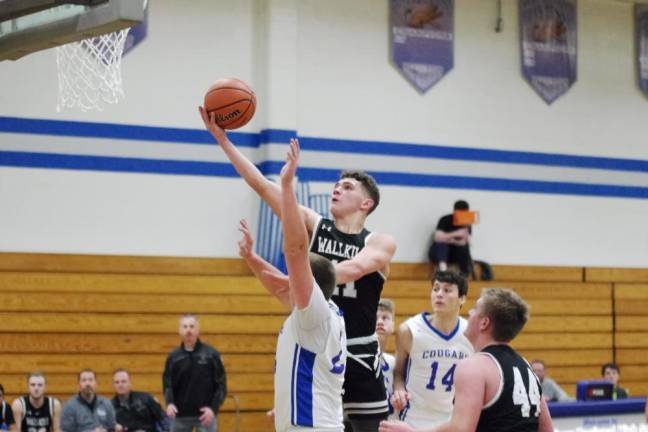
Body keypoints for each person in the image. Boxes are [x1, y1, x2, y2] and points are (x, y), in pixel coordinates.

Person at [200, 106, 396, 431]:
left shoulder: (379, 241)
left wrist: (298, 275)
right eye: (337, 184)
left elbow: (351, 270)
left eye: (348, 187)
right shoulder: (313, 224)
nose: (337, 188)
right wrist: (222, 140)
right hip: (315, 347)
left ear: (366, 204)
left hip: (358, 351)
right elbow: (262, 185)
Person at [237, 138, 346, 431]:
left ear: (308, 284)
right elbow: (278, 285)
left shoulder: (315, 315)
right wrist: (251, 257)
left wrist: (287, 186)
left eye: (296, 275)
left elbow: (296, 250)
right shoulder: (316, 311)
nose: (291, 276)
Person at [379, 288, 554, 432]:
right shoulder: (526, 367)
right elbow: (547, 429)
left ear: (484, 323)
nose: (469, 312)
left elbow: (461, 429)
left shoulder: (475, 366)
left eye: (475, 309)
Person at [390, 271, 474, 428]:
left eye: (447, 290)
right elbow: (398, 372)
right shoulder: (410, 330)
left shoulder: (470, 334)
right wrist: (399, 390)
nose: (439, 294)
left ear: (462, 298)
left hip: (450, 419)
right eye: (436, 289)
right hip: (412, 417)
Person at [163, 315, 227, 432]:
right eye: (185, 326)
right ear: (180, 330)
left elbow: (221, 385)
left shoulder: (211, 355)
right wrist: (169, 403)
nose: (188, 330)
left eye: (192, 327)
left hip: (205, 416)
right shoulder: (173, 357)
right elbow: (168, 384)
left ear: (198, 330)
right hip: (179, 416)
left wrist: (213, 409)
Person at [428, 200, 472, 276]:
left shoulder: (466, 223)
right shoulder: (445, 219)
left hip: (455, 252)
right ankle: (443, 269)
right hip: (439, 253)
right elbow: (437, 237)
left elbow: (465, 242)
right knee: (441, 245)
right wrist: (455, 234)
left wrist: (449, 240)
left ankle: (464, 273)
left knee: (464, 248)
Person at [376, 299, 397, 421]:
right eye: (376, 317)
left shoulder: (393, 362)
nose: (379, 322)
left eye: (385, 318)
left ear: (393, 325)